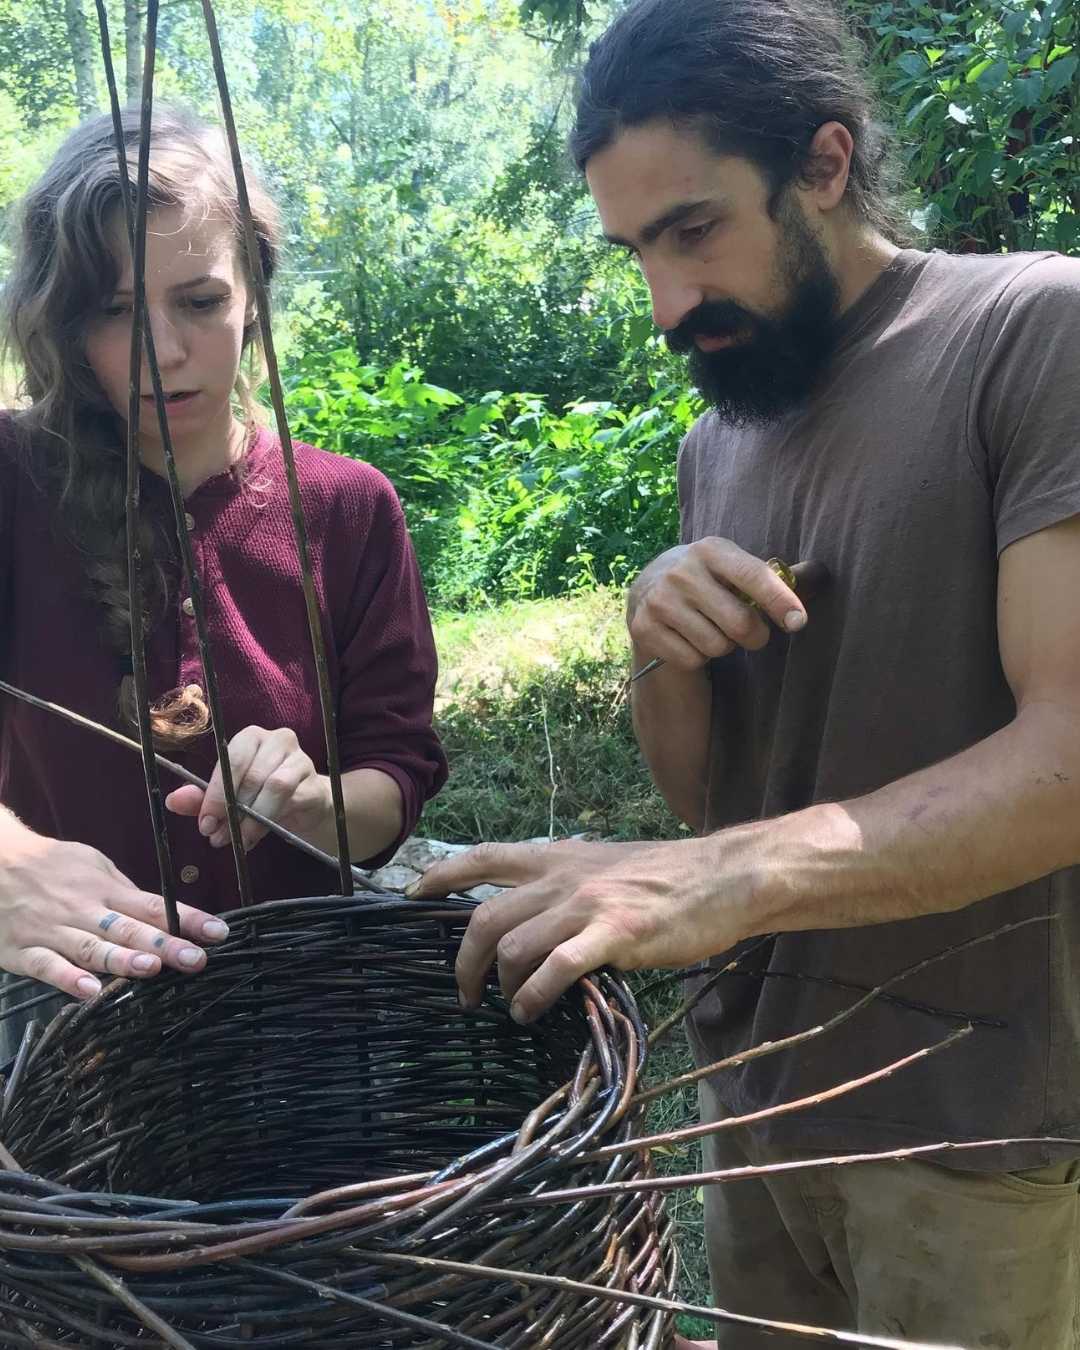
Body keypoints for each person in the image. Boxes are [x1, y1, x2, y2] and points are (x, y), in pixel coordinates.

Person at [407, 0, 1080, 1345]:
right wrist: (658, 638)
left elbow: (1066, 764)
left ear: (824, 164)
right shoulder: (723, 433)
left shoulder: (1031, 333)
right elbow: (709, 793)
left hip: (972, 1130)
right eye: (635, 251)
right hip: (758, 1099)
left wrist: (726, 877)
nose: (667, 303)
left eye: (694, 230)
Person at [0, 105, 446, 1045]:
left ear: (255, 292)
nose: (164, 352)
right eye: (115, 311)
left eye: (199, 301)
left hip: (301, 1004)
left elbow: (392, 787)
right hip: (62, 1003)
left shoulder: (347, 509)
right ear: (62, 322)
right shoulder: (11, 484)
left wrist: (309, 805)